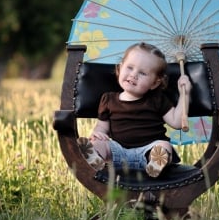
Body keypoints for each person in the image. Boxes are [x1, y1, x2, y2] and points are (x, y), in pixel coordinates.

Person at [77, 42, 192, 178]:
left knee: (164, 146)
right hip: (118, 152)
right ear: (120, 68)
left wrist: (185, 94)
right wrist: (98, 133)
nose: (133, 75)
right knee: (99, 144)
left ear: (155, 83)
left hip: (149, 151)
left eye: (142, 73)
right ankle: (95, 157)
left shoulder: (157, 99)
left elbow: (177, 122)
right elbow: (102, 127)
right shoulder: (108, 99)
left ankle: (156, 164)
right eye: (130, 68)